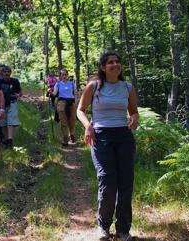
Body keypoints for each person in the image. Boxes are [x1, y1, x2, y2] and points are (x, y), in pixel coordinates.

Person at [76, 52, 139, 241]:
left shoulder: (127, 87)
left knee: (125, 183)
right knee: (107, 180)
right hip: (101, 137)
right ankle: (103, 226)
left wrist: (134, 118)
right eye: (111, 62)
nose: (115, 64)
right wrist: (88, 126)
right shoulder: (94, 86)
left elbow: (134, 112)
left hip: (124, 137)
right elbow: (80, 110)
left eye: (117, 62)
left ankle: (123, 230)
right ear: (103, 67)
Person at [0, 65, 22, 149]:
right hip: (1, 104)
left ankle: (10, 140)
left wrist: (18, 95)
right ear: (2, 73)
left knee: (10, 121)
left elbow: (20, 92)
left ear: (10, 73)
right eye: (5, 72)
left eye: (8, 72)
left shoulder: (15, 81)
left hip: (12, 102)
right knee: (3, 123)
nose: (6, 73)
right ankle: (5, 140)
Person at [52, 69, 77, 147]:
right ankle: (65, 138)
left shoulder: (72, 83)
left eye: (65, 74)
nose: (64, 76)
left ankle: (72, 134)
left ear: (67, 75)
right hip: (61, 102)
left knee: (72, 120)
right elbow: (55, 93)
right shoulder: (58, 84)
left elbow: (75, 93)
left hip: (71, 102)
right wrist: (50, 92)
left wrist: (76, 102)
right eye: (62, 74)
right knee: (63, 121)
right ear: (60, 76)